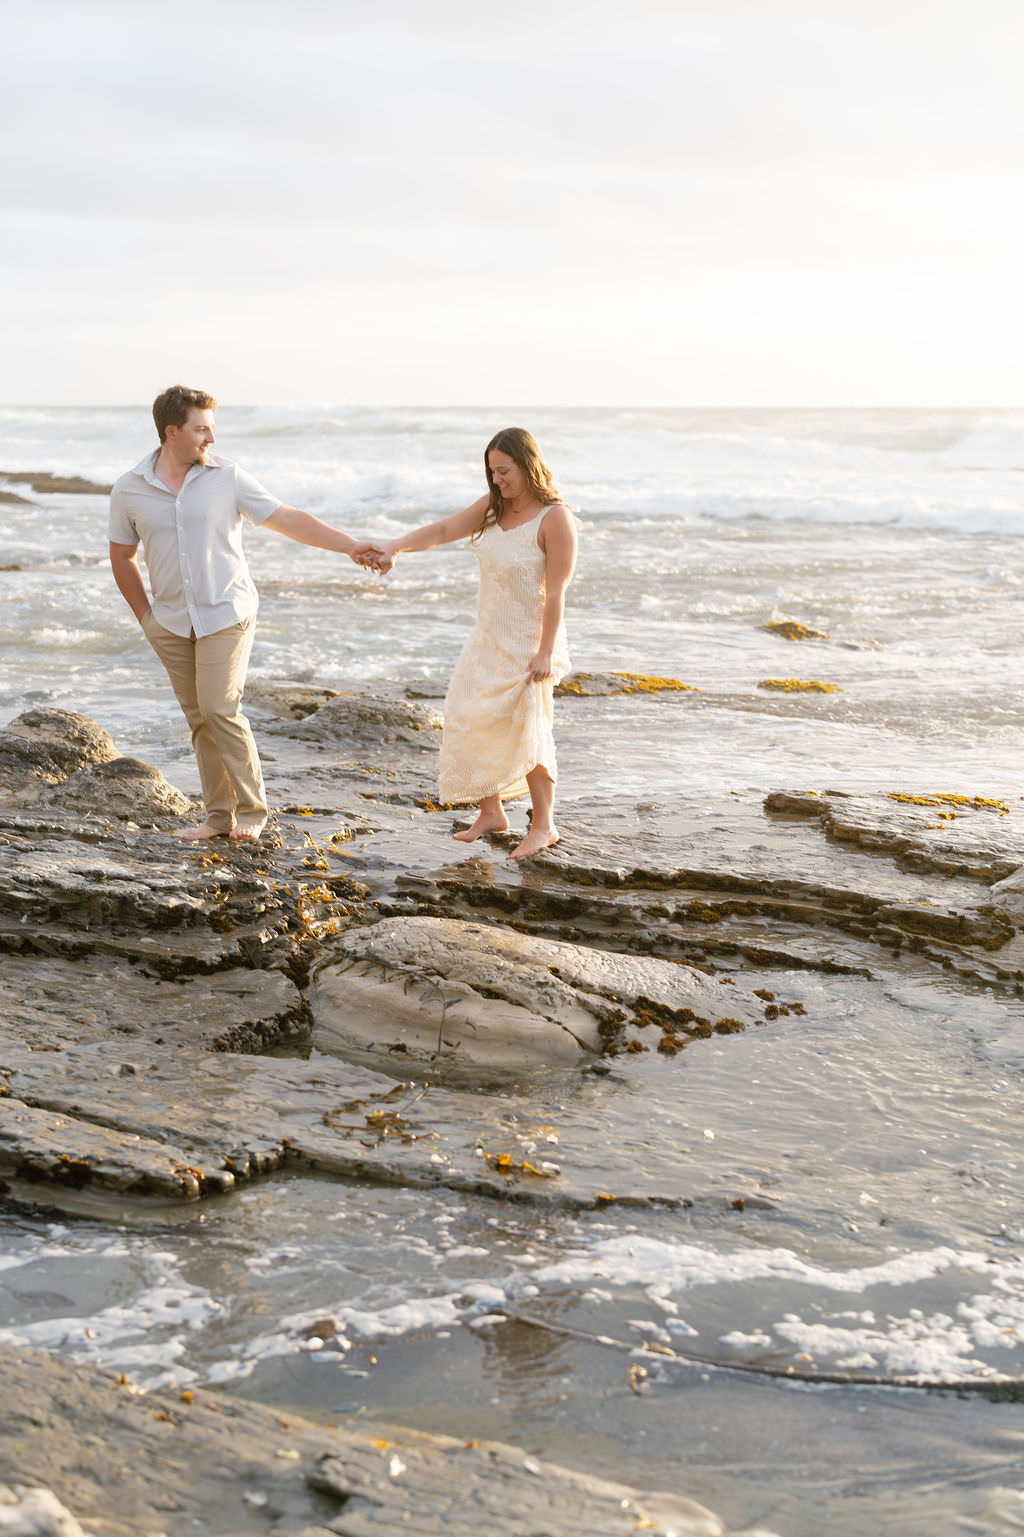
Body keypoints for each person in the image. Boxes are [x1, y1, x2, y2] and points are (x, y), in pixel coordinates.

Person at [109, 385, 380, 844]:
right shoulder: (129, 489)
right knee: (199, 719)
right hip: (171, 622)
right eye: (201, 429)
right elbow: (121, 557)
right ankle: (218, 818)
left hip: (226, 613)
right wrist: (147, 619)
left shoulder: (227, 477)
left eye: (211, 428)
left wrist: (350, 546)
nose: (210, 438)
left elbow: (288, 518)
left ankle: (254, 811)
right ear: (172, 432)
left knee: (220, 708)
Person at [375, 427, 577, 860]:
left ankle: (544, 826)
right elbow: (446, 528)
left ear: (527, 464)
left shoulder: (554, 518)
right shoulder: (492, 507)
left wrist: (545, 651)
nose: (498, 479)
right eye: (492, 471)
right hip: (487, 637)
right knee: (467, 714)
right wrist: (395, 546)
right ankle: (492, 812)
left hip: (529, 643)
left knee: (530, 730)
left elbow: (557, 593)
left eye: (504, 471)